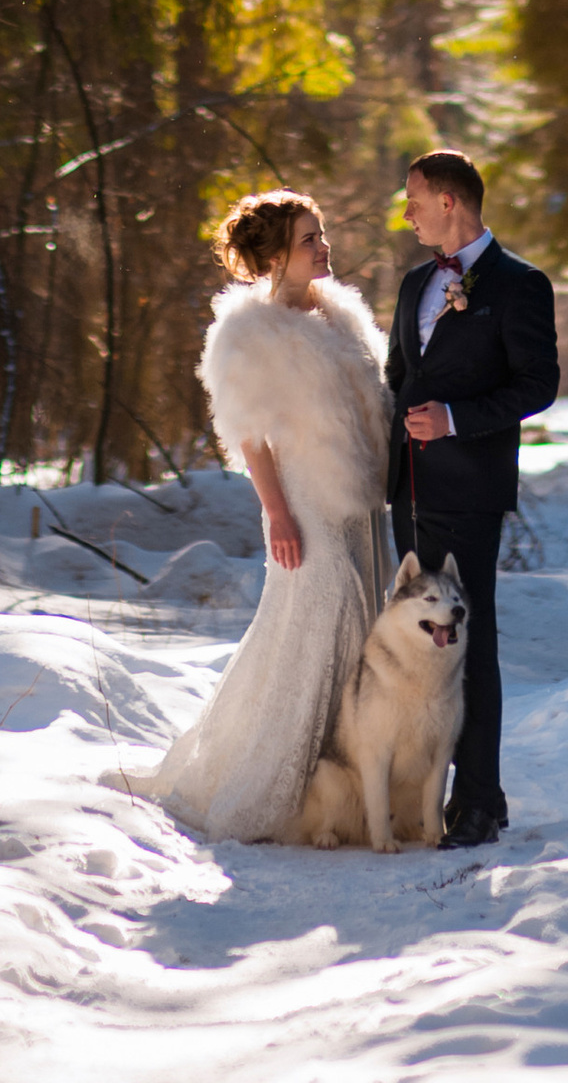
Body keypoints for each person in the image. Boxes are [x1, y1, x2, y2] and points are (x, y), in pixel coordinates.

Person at [139, 187, 392, 842]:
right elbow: (248, 434)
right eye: (309, 239)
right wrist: (277, 513)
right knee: (313, 622)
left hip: (363, 500)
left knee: (362, 626)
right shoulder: (248, 331)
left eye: (322, 234)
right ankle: (278, 779)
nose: (323, 247)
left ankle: (353, 785)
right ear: (276, 255)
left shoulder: (340, 314)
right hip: (305, 501)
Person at [385, 146, 560, 848]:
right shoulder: (411, 285)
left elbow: (537, 385)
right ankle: (423, 796)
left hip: (470, 493)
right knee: (417, 647)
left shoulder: (520, 284)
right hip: (410, 493)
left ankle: (481, 799)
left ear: (449, 201)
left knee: (468, 642)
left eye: (415, 199)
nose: (408, 212)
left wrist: (455, 419)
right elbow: (400, 375)